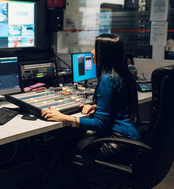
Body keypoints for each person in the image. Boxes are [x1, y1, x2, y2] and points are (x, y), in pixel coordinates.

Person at [42, 33, 140, 161]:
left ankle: (62, 178)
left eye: (96, 48)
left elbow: (99, 124)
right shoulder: (124, 75)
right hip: (130, 139)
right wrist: (97, 107)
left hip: (117, 143)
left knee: (66, 139)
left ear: (105, 54)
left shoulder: (107, 79)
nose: (92, 52)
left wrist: (62, 117)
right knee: (69, 135)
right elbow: (120, 106)